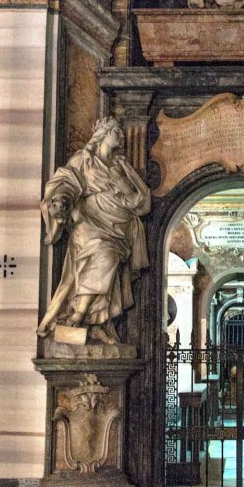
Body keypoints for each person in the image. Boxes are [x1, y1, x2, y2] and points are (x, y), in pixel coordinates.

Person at [37, 117, 151, 343]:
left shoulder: (121, 166)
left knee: (109, 262)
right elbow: (66, 181)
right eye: (115, 131)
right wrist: (61, 199)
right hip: (89, 221)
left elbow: (142, 201)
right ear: (102, 134)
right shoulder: (85, 159)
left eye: (120, 132)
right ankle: (79, 313)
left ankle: (94, 323)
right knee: (103, 254)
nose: (120, 135)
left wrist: (123, 187)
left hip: (120, 227)